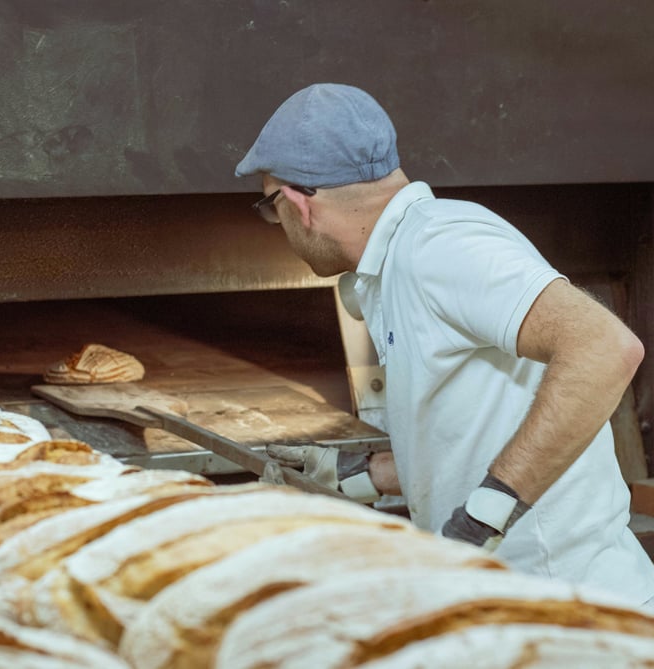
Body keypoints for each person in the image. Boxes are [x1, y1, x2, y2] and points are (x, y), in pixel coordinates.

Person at [234, 82, 654, 608]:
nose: (279, 224)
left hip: (569, 612)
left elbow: (606, 346)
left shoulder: (441, 246)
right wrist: (362, 477)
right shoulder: (398, 262)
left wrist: (487, 514)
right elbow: (474, 425)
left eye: (271, 206)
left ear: (299, 204)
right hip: (508, 605)